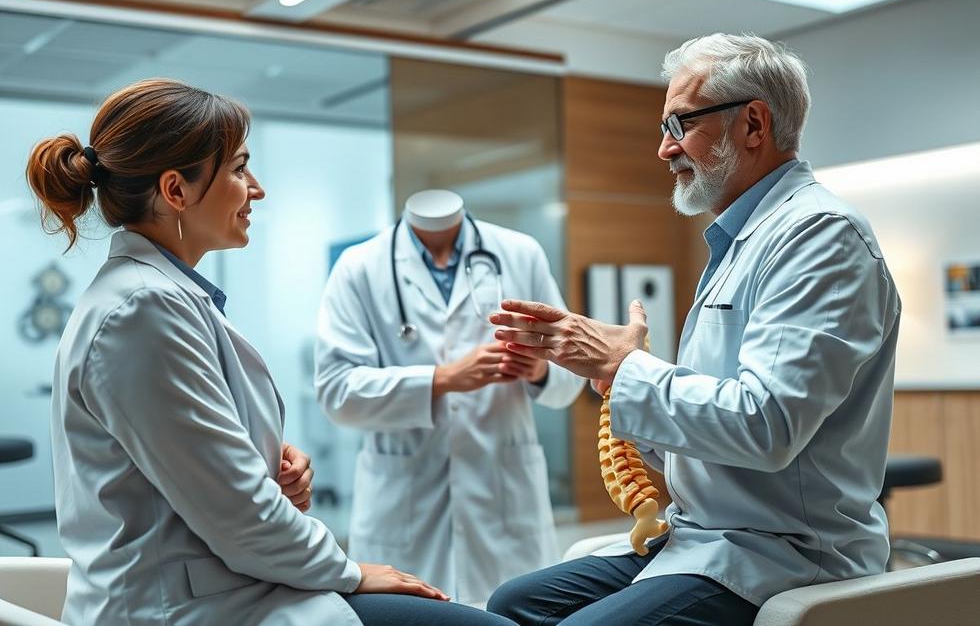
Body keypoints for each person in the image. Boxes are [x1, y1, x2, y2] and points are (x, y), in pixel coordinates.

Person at [27, 79, 513, 626]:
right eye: (238, 169)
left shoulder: (159, 298)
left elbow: (192, 464)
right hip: (187, 608)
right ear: (175, 190)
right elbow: (238, 517)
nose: (255, 189)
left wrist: (264, 455)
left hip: (224, 586)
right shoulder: (142, 311)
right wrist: (351, 570)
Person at [485, 33, 901, 626]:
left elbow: (766, 425)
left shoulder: (819, 236)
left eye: (679, 124)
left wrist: (625, 368)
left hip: (785, 552)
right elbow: (713, 434)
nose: (663, 149)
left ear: (753, 124)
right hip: (704, 536)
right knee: (512, 604)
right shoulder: (736, 245)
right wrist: (613, 380)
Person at [315, 189, 585, 604]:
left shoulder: (519, 253)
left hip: (505, 506)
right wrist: (441, 378)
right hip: (404, 511)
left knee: (512, 612)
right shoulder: (360, 267)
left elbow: (573, 376)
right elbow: (336, 392)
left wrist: (538, 370)